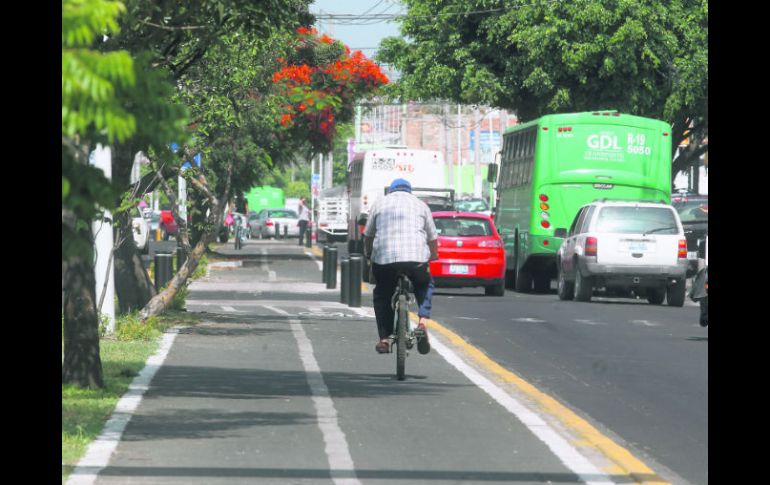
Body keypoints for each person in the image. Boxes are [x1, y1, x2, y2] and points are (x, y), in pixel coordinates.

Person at [363, 178, 439, 355]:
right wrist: (433, 256)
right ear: (409, 191)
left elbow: (368, 235)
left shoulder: (379, 204)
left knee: (382, 293)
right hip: (416, 259)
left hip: (384, 260)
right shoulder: (421, 205)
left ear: (391, 190)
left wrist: (368, 253)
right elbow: (432, 238)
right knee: (424, 284)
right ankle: (422, 322)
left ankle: (384, 339)